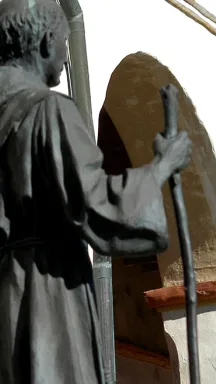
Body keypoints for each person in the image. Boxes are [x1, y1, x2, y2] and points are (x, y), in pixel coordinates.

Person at [0, 0, 192, 383]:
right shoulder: (49, 111)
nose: (66, 54)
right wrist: (161, 166)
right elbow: (97, 203)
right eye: (64, 42)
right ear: (44, 42)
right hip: (47, 296)